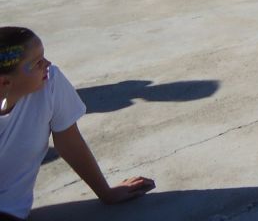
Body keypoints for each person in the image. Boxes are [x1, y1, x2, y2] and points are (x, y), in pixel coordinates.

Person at [0, 26, 155, 220]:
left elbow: (69, 142)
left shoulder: (50, 80)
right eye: (38, 63)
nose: (47, 64)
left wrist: (106, 193)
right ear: (5, 82)